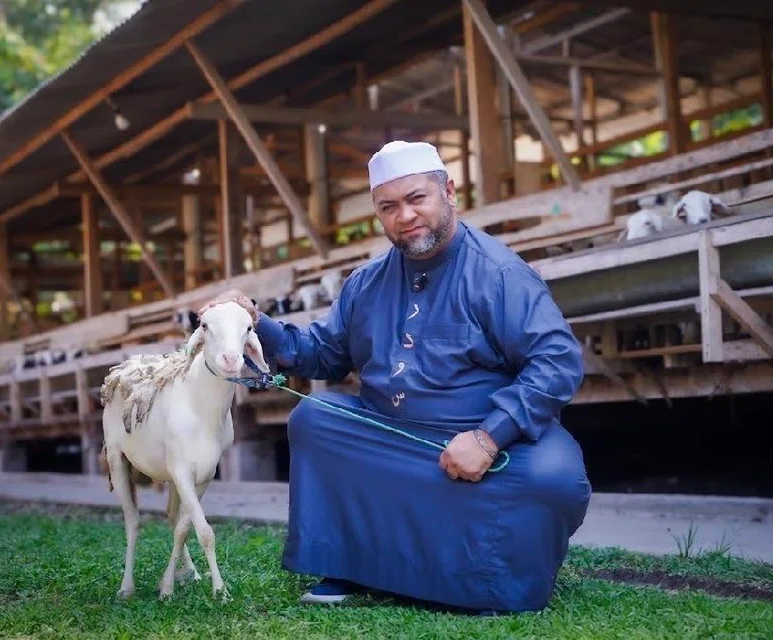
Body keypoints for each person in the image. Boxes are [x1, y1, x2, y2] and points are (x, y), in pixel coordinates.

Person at [201, 140, 591, 614]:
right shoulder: (365, 283)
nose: (404, 215)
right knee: (316, 421)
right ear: (378, 214)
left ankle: (488, 581)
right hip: (390, 437)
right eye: (389, 207)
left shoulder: (499, 273)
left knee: (555, 476)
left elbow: (556, 360)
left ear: (449, 191)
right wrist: (252, 321)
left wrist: (490, 439)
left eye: (416, 198)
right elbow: (321, 354)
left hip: (479, 437)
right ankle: (352, 565)